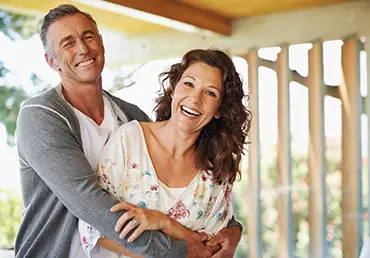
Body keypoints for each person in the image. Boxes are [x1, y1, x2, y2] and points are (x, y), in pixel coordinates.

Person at [15, 4, 243, 258]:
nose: (82, 48)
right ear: (51, 61)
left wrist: (233, 231)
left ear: (101, 43)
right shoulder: (41, 116)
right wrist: (178, 251)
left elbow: (174, 198)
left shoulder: (130, 117)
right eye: (68, 43)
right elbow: (88, 202)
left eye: (88, 36)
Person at [78, 49, 251, 258]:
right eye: (188, 84)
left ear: (219, 110)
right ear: (173, 90)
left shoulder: (215, 170)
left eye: (210, 93)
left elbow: (212, 250)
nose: (195, 99)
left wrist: (163, 221)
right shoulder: (129, 141)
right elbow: (94, 228)